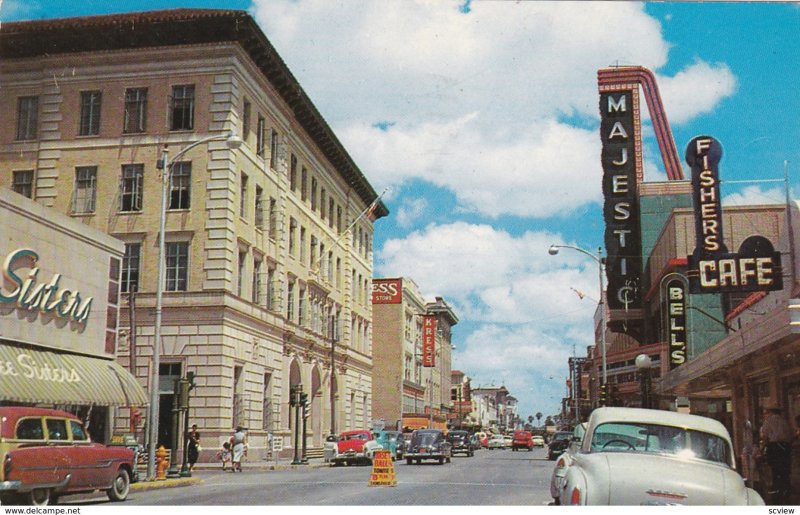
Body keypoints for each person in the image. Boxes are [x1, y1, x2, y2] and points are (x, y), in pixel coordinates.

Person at [760, 405, 793, 503]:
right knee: (785, 469)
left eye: (766, 413)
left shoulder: (768, 421)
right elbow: (790, 434)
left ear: (771, 412)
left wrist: (762, 449)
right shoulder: (784, 421)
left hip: (774, 447)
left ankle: (777, 491)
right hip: (785, 446)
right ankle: (786, 489)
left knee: (775, 469)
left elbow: (765, 437)